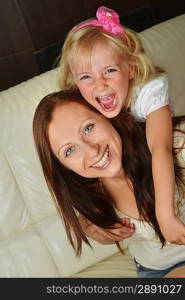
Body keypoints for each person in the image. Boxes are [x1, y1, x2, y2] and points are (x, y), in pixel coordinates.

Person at [57, 6, 185, 244]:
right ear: (74, 81)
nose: (100, 84)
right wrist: (93, 227)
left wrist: (165, 214)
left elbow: (160, 148)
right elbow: (85, 182)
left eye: (110, 70)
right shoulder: (85, 106)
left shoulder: (149, 92)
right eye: (86, 76)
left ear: (131, 68)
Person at [33, 90, 185, 278]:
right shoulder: (92, 196)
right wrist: (98, 232)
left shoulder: (177, 145)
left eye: (88, 128)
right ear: (64, 167)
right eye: (70, 150)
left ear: (106, 116)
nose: (92, 151)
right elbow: (99, 228)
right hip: (157, 269)